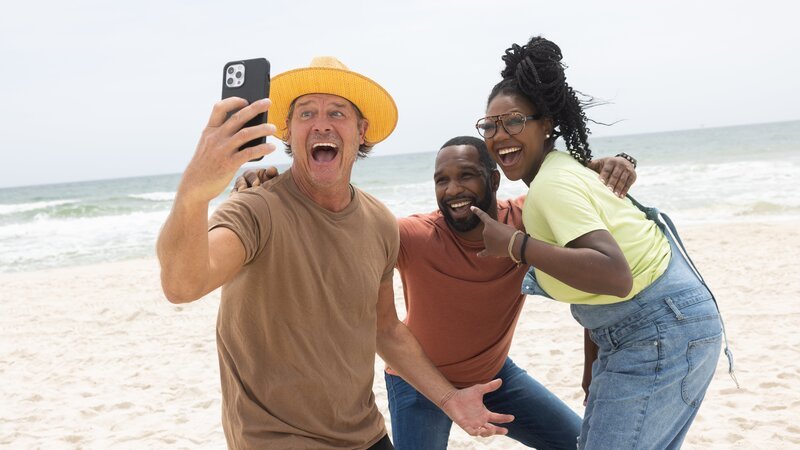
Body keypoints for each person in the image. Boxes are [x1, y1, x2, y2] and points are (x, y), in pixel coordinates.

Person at [156, 56, 513, 450]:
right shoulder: (256, 208)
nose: (321, 123)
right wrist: (195, 190)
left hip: (365, 433)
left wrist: (450, 400)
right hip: (276, 438)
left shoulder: (378, 222)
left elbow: (385, 328)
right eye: (306, 113)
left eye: (337, 112)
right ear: (289, 133)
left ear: (361, 132)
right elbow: (182, 285)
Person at [236, 137, 637, 450]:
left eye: (466, 175)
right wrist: (275, 192)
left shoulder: (526, 220)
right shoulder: (413, 235)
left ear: (493, 180)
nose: (452, 189)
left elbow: (573, 190)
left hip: (497, 377)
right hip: (418, 383)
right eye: (441, 180)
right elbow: (337, 230)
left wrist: (612, 165)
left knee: (582, 443)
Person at [470, 36, 728, 449]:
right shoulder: (565, 170)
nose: (500, 135)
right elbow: (594, 284)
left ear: (546, 124)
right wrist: (594, 362)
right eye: (490, 125)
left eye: (514, 121)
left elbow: (614, 274)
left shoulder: (553, 185)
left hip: (658, 329)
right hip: (666, 325)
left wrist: (517, 245)